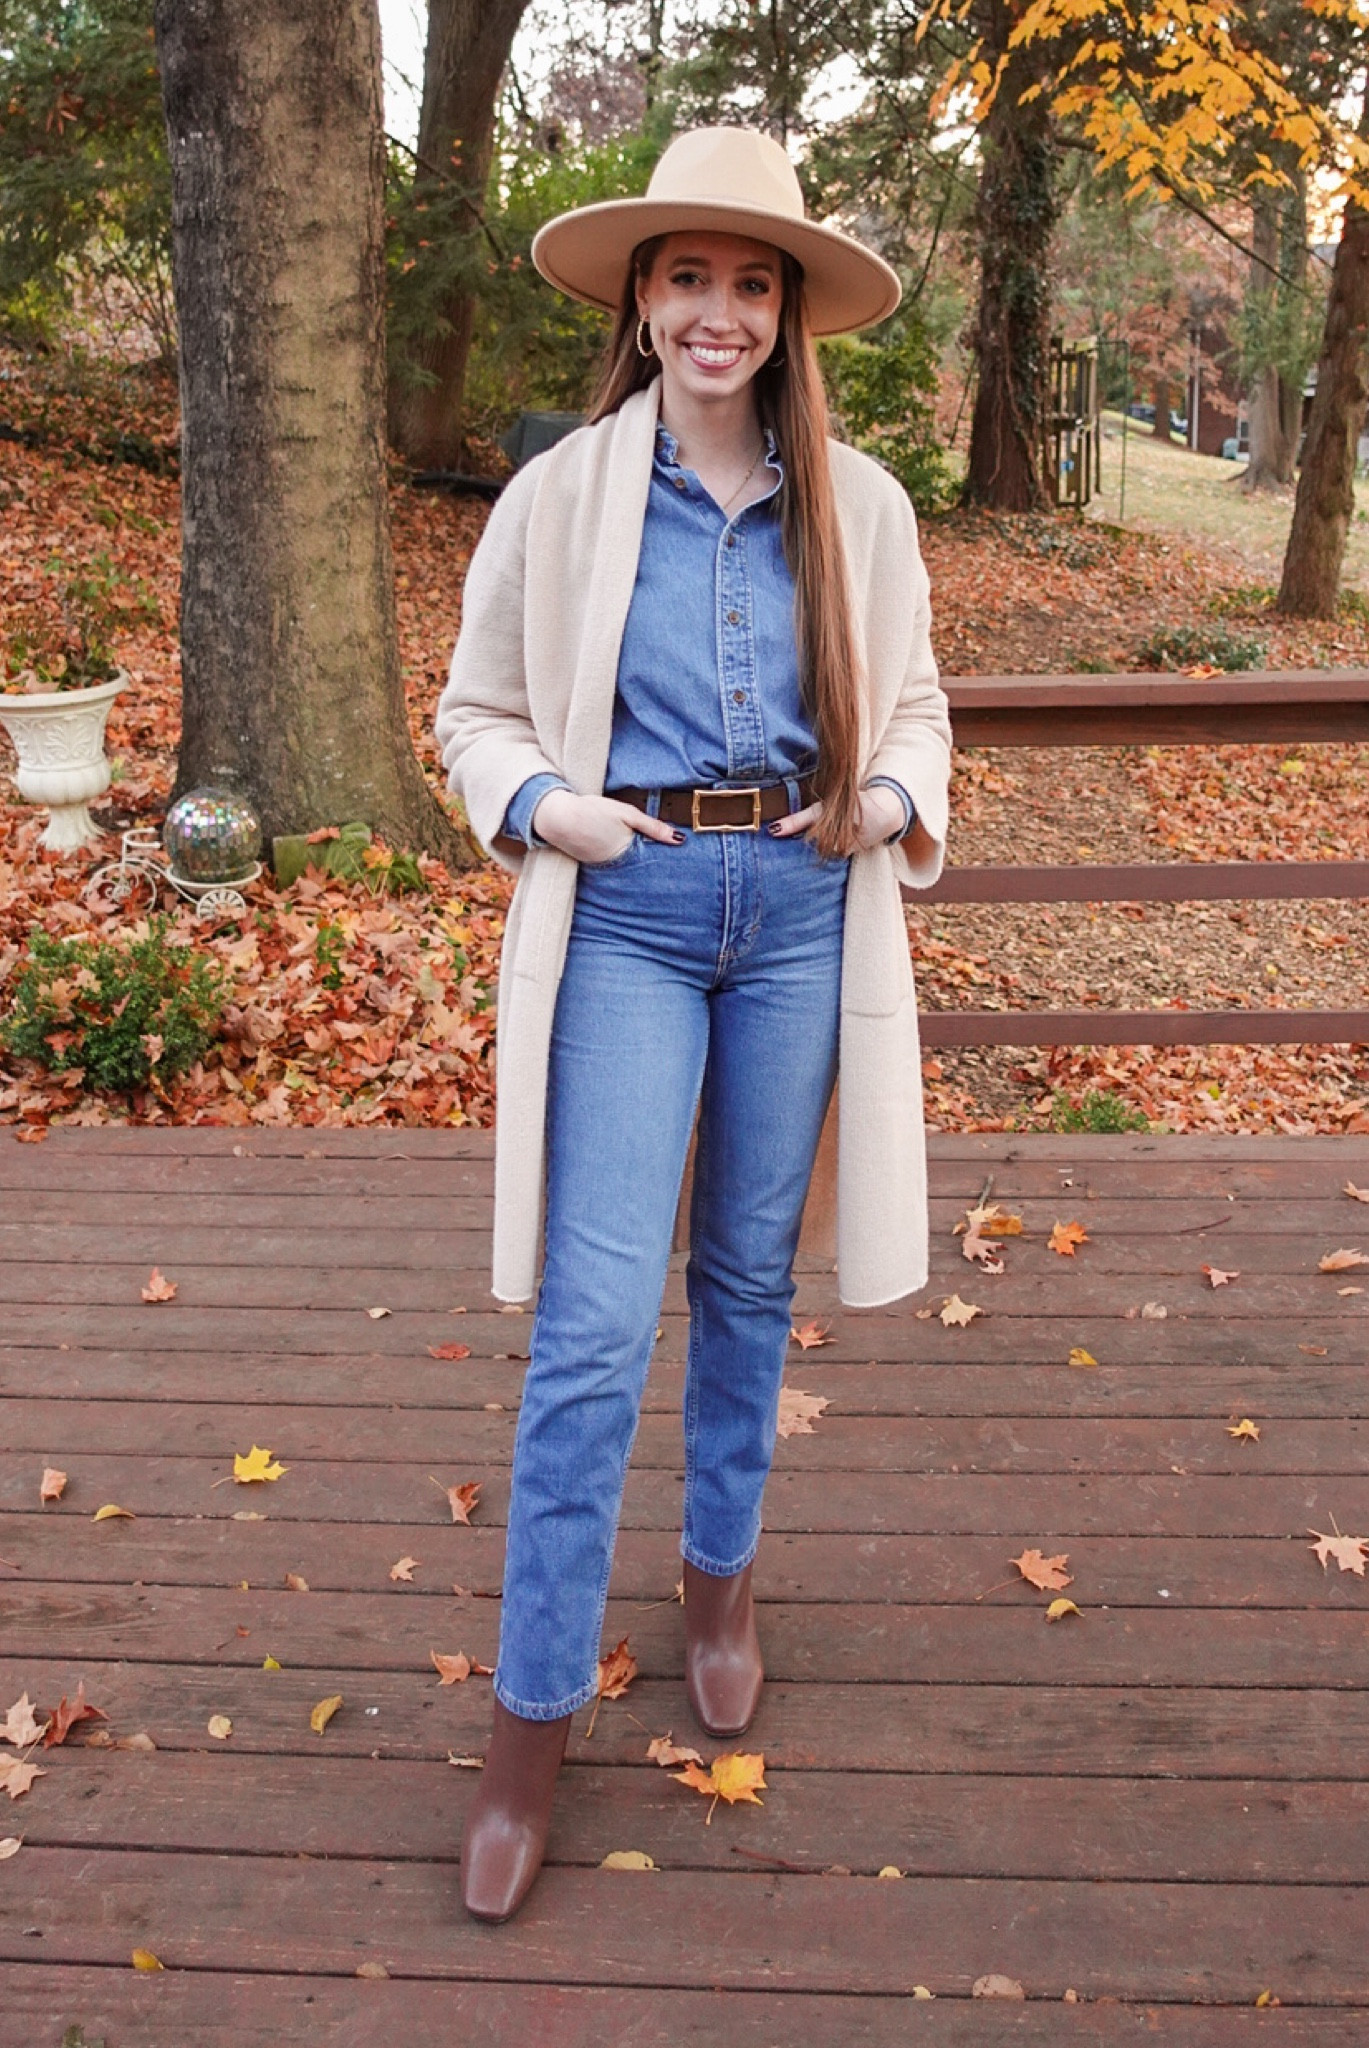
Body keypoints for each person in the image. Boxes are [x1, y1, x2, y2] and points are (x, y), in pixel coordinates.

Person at [434, 125, 952, 1924]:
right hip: (634, 917)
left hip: (799, 911)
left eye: (750, 281)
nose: (715, 310)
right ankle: (527, 1722)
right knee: (588, 1328)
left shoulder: (860, 503)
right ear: (641, 302)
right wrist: (548, 810)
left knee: (743, 1280)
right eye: (685, 276)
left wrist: (886, 795)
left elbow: (920, 708)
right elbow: (475, 713)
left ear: (787, 314)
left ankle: (718, 1576)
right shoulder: (561, 496)